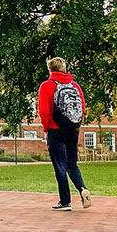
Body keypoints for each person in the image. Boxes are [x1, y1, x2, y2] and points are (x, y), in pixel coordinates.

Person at [38, 57, 91, 211]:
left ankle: (65, 201)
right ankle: (82, 189)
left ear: (50, 69)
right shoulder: (75, 86)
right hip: (73, 129)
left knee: (60, 165)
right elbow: (83, 108)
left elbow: (44, 110)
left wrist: (47, 128)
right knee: (72, 164)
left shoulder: (47, 86)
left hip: (56, 129)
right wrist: (76, 124)